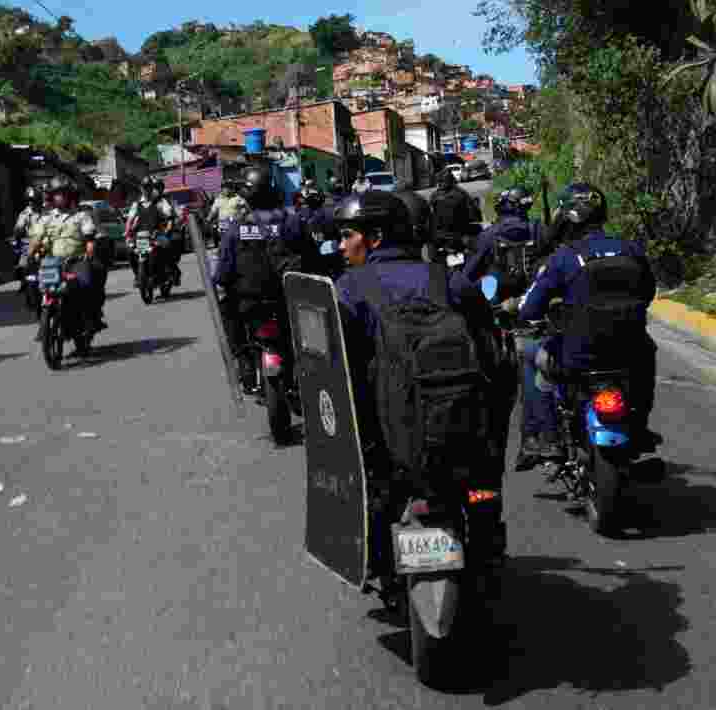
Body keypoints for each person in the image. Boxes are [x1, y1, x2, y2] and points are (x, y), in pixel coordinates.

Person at [332, 190, 507, 592]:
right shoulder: (448, 280)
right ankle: (485, 536)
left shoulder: (348, 289)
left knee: (375, 491)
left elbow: (340, 368)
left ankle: (378, 559)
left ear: (374, 237)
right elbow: (491, 351)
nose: (341, 246)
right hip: (459, 429)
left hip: (387, 440)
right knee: (483, 485)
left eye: (347, 236)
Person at [515, 182, 661, 466]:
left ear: (567, 217)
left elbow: (529, 308)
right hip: (630, 353)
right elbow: (648, 293)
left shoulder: (564, 257)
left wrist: (522, 312)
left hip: (578, 357)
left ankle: (547, 438)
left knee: (530, 354)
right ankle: (639, 426)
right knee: (648, 354)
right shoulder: (631, 249)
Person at [213, 164, 317, 390]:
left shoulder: (236, 227)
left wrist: (222, 284)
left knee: (227, 311)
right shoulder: (291, 221)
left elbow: (222, 272)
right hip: (287, 300)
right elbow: (312, 259)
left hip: (249, 303)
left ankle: (243, 360)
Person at [30, 176, 106, 351]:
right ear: (51, 196)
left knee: (85, 285)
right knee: (35, 286)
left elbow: (89, 239)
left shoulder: (81, 215)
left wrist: (88, 254)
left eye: (63, 194)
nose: (60, 197)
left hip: (76, 261)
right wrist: (30, 255)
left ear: (70, 196)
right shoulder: (45, 218)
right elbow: (36, 239)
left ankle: (88, 323)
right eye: (56, 194)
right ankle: (45, 322)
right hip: (51, 263)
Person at [125, 177, 176, 287]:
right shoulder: (137, 204)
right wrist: (128, 233)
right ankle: (137, 276)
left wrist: (168, 228)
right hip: (141, 237)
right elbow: (130, 220)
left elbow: (169, 215)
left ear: (152, 188)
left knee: (166, 247)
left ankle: (169, 273)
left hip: (156, 234)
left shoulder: (160, 201)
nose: (146, 190)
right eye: (144, 187)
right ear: (141, 188)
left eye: (149, 187)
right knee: (130, 251)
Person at [427, 167, 478, 263]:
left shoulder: (434, 195)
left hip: (440, 236)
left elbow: (430, 215)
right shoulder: (462, 194)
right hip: (459, 235)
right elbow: (473, 213)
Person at [152, 178, 183, 286]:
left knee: (172, 242)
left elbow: (178, 212)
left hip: (168, 229)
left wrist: (178, 219)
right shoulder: (145, 200)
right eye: (154, 188)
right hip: (151, 230)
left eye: (158, 187)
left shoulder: (169, 200)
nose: (156, 190)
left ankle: (174, 271)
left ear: (162, 188)